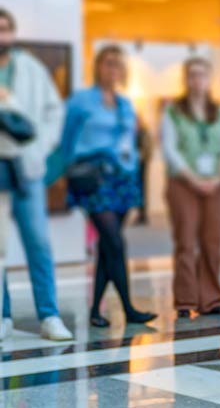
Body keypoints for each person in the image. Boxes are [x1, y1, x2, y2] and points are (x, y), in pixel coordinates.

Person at [57, 45, 157, 327]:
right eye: (108, 63)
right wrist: (67, 171)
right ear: (98, 66)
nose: (113, 69)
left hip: (122, 178)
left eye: (118, 64)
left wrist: (133, 170)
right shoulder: (81, 100)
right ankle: (128, 308)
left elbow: (131, 142)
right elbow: (66, 139)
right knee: (114, 241)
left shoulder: (126, 104)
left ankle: (95, 311)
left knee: (107, 246)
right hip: (94, 176)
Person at [0, 8, 73, 341]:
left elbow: (54, 112)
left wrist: (40, 149)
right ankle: (3, 315)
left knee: (39, 243)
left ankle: (49, 315)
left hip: (26, 167)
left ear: (13, 33)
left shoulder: (30, 68)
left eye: (5, 28)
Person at [161, 57, 220, 318]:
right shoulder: (173, 112)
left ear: (209, 79)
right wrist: (193, 179)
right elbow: (169, 149)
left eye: (202, 74)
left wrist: (218, 177)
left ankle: (211, 299)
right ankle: (185, 300)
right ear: (185, 79)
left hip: (217, 184)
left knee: (212, 242)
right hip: (183, 183)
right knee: (185, 241)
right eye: (192, 74)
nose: (197, 80)